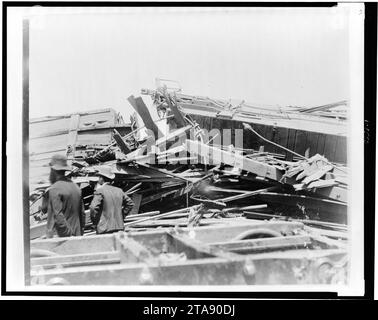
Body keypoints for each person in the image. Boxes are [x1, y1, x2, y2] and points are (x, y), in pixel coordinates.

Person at [46, 154, 86, 238]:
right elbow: (82, 213)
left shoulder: (55, 188)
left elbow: (58, 216)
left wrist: (68, 235)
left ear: (53, 170)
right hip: (78, 236)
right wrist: (79, 233)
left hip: (63, 239)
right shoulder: (76, 187)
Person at [89, 166, 134, 234]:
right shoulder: (119, 191)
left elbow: (93, 208)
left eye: (99, 177)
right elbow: (130, 204)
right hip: (119, 227)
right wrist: (122, 215)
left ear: (102, 178)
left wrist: (95, 222)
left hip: (104, 228)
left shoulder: (100, 191)